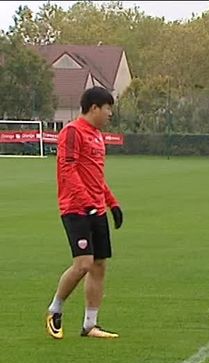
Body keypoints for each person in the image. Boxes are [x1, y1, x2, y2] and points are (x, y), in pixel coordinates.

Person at [46, 86, 123, 339]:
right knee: (83, 264)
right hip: (76, 208)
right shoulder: (71, 132)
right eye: (108, 108)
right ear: (94, 108)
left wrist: (112, 204)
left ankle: (90, 324)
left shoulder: (98, 136)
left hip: (96, 208)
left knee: (99, 265)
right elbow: (68, 170)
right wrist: (87, 202)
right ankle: (55, 309)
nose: (110, 114)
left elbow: (96, 176)